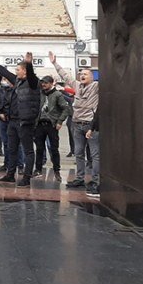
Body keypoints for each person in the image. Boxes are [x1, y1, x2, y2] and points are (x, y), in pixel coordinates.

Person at [0, 52, 41, 187]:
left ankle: (26, 177)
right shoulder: (17, 81)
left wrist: (29, 63)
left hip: (25, 122)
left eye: (18, 70)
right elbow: (3, 71)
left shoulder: (33, 83)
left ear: (25, 71)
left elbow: (32, 75)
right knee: (11, 149)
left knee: (28, 150)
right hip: (13, 121)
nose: (15, 72)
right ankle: (10, 174)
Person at [49, 51, 100, 196]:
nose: (82, 76)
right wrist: (54, 63)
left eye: (85, 74)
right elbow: (66, 76)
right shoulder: (77, 86)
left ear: (92, 77)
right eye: (81, 74)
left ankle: (96, 181)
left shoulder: (96, 87)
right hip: (76, 124)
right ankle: (79, 179)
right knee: (78, 153)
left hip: (90, 125)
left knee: (95, 155)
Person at [35, 75, 71, 182]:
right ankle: (38, 169)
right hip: (40, 124)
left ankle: (56, 170)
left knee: (54, 149)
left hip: (52, 125)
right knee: (39, 148)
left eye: (46, 83)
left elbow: (66, 109)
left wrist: (60, 121)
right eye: (42, 83)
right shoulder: (40, 94)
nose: (43, 84)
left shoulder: (57, 94)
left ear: (51, 83)